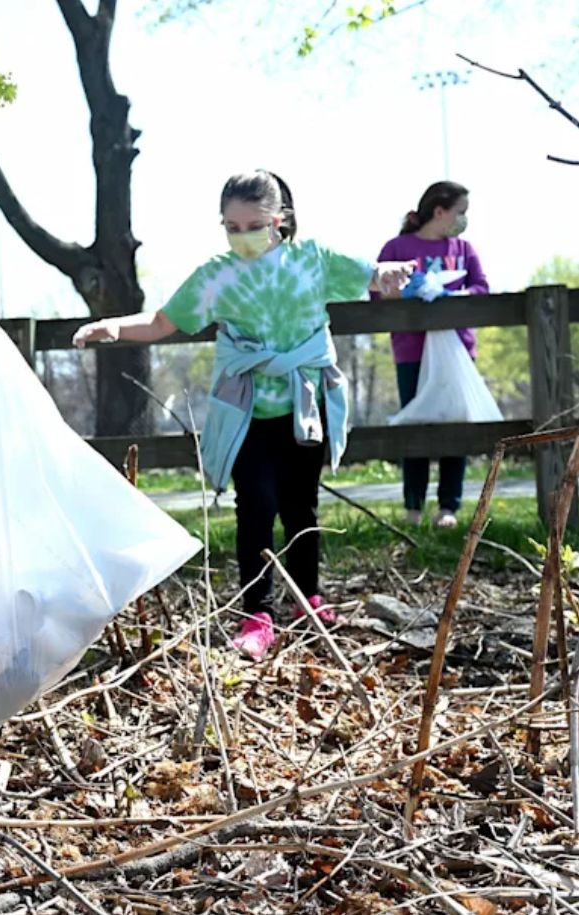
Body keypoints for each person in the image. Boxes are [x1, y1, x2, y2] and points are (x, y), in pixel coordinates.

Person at [72, 171, 413, 657]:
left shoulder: (312, 260)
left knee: (301, 504)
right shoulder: (217, 275)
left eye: (253, 225)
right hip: (247, 407)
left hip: (303, 403)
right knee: (255, 505)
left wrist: (388, 273)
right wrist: (113, 327)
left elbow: (370, 275)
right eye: (231, 227)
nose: (242, 236)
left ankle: (308, 599)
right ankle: (257, 614)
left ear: (280, 220)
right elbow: (163, 321)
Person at [375, 181, 489, 529]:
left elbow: (481, 287)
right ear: (439, 211)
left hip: (457, 350)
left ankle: (448, 506)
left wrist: (456, 296)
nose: (463, 219)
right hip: (412, 351)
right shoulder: (397, 248)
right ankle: (413, 505)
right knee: (415, 423)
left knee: (455, 423)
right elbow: (376, 292)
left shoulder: (463, 248)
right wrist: (412, 291)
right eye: (460, 212)